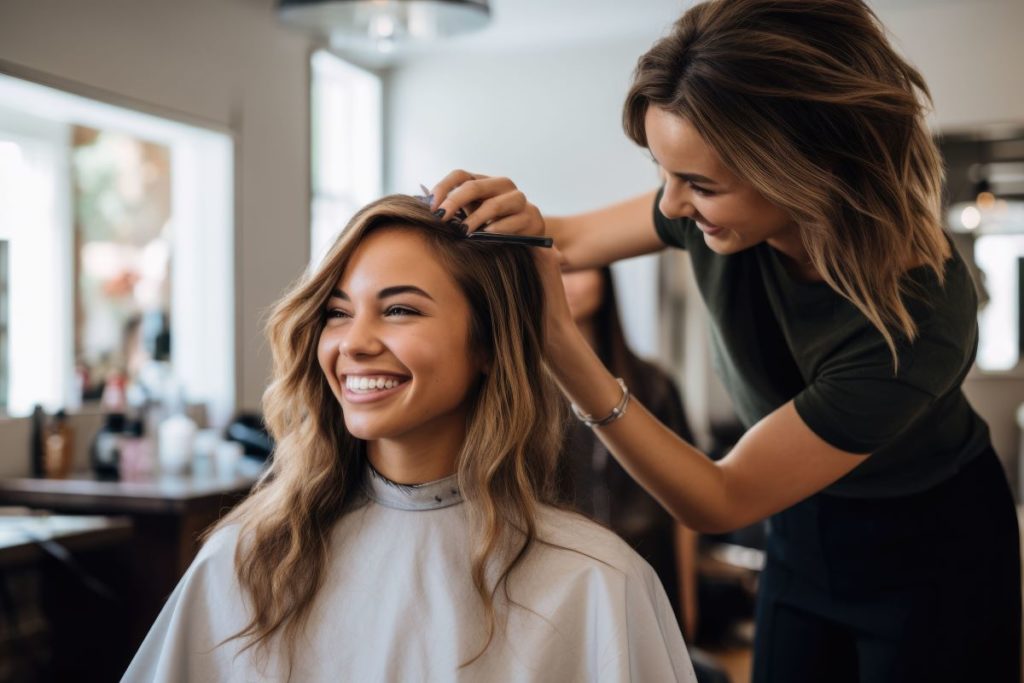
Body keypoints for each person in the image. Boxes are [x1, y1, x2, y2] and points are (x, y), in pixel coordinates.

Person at [427, 1, 1022, 681]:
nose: (671, 205)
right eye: (662, 171)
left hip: (932, 554)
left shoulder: (919, 318)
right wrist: (505, 216)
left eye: (699, 184)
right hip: (801, 532)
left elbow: (719, 497)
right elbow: (570, 237)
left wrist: (563, 349)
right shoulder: (716, 212)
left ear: (803, 168)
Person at [122, 195, 696, 682]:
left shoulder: (593, 583)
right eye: (338, 313)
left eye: (398, 310)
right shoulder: (248, 561)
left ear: (490, 344)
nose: (355, 343)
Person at [558, 267, 700, 640]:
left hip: (650, 562)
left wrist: (687, 597)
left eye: (575, 270)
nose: (565, 283)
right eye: (553, 274)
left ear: (604, 278)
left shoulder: (653, 384)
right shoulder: (525, 391)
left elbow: (687, 499)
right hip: (568, 573)